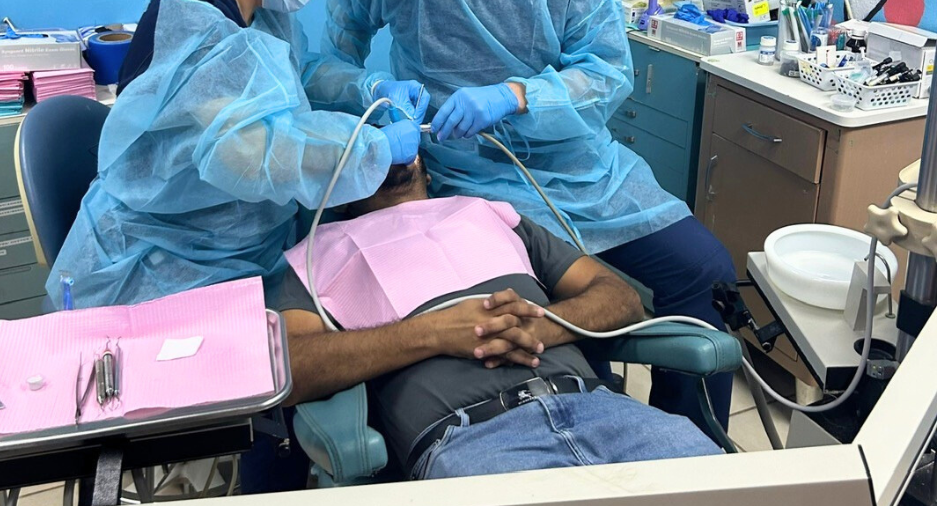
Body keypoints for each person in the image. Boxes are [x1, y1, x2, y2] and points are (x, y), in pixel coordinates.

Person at [304, 0, 736, 430]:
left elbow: (609, 75)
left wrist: (514, 96)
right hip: (469, 181)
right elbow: (324, 64)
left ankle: (690, 450)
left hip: (584, 173)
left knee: (704, 270)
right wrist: (370, 87)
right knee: (560, 326)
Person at [48, 0, 422, 313]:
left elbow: (292, 76)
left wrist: (367, 87)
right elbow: (252, 151)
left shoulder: (256, 2)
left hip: (236, 238)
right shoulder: (198, 28)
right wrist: (370, 149)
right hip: (161, 265)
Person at [276, 155, 721, 480]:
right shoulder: (319, 254)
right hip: (471, 443)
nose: (386, 152)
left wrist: (546, 324)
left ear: (428, 170)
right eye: (365, 149)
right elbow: (292, 369)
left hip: (608, 413)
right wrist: (431, 334)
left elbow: (618, 296)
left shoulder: (491, 217)